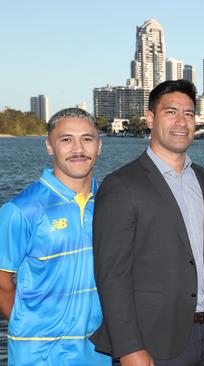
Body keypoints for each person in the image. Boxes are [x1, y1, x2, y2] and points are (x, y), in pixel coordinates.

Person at [90, 79, 204, 365]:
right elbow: (111, 276)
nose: (181, 122)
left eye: (189, 114)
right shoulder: (121, 185)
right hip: (152, 342)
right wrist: (128, 347)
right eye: (171, 112)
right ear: (150, 118)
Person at [0, 108, 111, 365]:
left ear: (99, 146)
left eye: (87, 138)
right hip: (40, 354)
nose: (78, 148)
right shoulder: (22, 209)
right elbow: (2, 283)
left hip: (98, 350)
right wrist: (30, 326)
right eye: (66, 139)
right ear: (49, 146)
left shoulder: (110, 203)